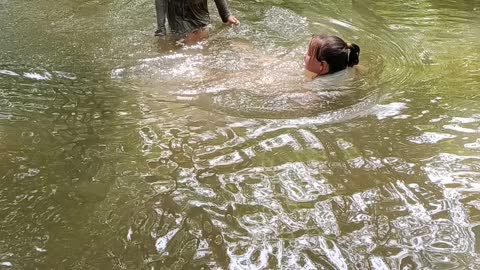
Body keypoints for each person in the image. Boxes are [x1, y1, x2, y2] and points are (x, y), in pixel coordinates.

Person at [154, 0, 240, 44]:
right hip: (178, 10)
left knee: (203, 40)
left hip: (199, 9)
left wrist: (226, 15)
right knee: (182, 41)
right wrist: (161, 29)